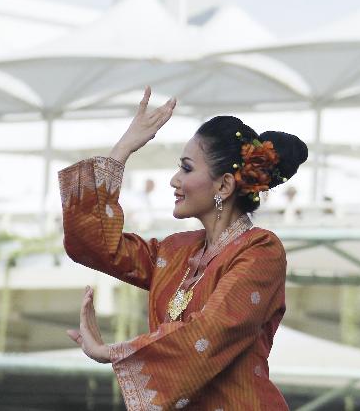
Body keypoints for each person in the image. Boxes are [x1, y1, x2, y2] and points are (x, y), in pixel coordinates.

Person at [60, 87, 308, 410]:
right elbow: (91, 242)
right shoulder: (176, 252)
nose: (174, 180)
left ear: (224, 185)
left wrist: (111, 352)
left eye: (187, 169)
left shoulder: (261, 251)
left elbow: (209, 332)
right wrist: (124, 148)